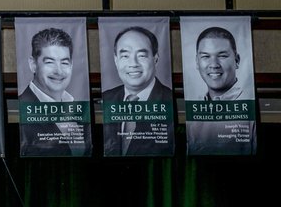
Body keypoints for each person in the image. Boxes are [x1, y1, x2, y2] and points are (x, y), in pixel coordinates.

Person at [101, 26, 174, 156]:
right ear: (116, 60)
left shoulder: (170, 101)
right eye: (125, 56)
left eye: (141, 55)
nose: (133, 63)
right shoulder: (106, 99)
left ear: (155, 59)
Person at [18, 27, 91, 157]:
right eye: (50, 62)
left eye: (64, 62)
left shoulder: (79, 108)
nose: (59, 71)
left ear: (72, 65)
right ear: (33, 64)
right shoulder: (19, 111)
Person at [188, 26, 256, 155]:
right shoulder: (193, 107)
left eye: (222, 56)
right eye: (206, 56)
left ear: (237, 60)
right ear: (197, 62)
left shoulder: (250, 106)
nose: (214, 64)